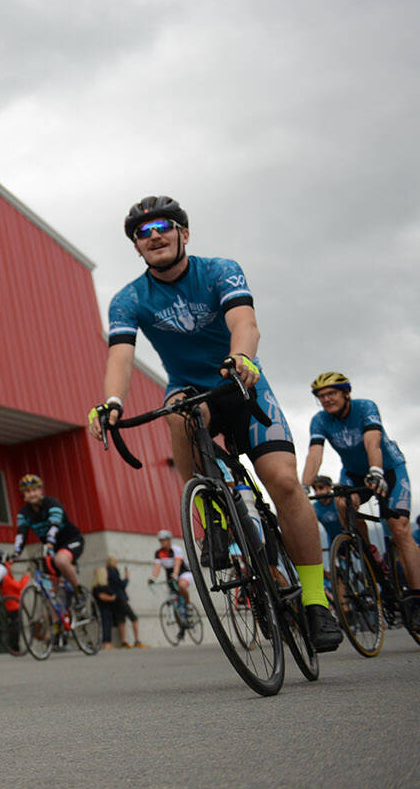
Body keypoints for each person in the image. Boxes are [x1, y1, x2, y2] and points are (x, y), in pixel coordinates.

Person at [88, 196, 342, 651]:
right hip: (191, 390)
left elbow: (244, 321)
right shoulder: (128, 298)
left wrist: (242, 355)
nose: (154, 236)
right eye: (142, 233)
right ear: (136, 247)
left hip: (241, 383)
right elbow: (120, 355)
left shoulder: (219, 269)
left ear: (184, 233)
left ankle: (316, 600)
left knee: (283, 484)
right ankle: (210, 512)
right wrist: (111, 402)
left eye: (163, 226)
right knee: (180, 412)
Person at [300, 372, 420, 598]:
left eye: (331, 393)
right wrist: (303, 487)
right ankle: (370, 556)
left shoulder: (365, 407)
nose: (326, 399)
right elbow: (314, 454)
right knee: (342, 503)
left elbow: (372, 441)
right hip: (353, 473)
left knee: (400, 528)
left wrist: (376, 470)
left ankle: (417, 593)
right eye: (321, 396)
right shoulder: (320, 420)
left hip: (388, 468)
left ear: (346, 394)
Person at [7, 474, 88, 611]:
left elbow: (54, 524)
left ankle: (79, 592)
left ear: (41, 491)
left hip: (70, 540)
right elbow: (21, 534)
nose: (31, 494)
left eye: (34, 490)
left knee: (61, 561)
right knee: (51, 592)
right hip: (50, 548)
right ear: (23, 495)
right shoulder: (24, 513)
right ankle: (58, 627)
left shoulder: (52, 503)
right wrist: (16, 553)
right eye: (27, 491)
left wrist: (50, 543)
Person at [146, 529, 193, 635]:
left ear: (169, 540)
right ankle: (181, 627)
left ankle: (188, 604)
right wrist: (153, 578)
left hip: (183, 573)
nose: (162, 542)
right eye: (160, 540)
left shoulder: (176, 549)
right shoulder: (158, 553)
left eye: (164, 540)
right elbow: (157, 567)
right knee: (174, 603)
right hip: (170, 578)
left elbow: (177, 563)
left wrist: (175, 575)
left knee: (181, 585)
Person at [105, 556, 143, 648]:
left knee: (121, 621)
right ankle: (137, 640)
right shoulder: (113, 571)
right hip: (121, 599)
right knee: (134, 618)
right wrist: (126, 578)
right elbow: (121, 585)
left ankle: (123, 642)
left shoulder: (107, 571)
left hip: (115, 601)